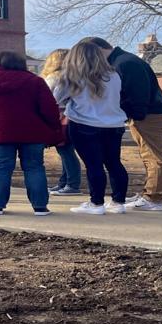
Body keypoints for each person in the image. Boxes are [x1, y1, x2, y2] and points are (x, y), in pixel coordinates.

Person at [0, 51, 61, 216]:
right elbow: (49, 108)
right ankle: (40, 206)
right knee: (34, 167)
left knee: (1, 167)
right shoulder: (35, 81)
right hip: (32, 131)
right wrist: (53, 127)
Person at [87, 37, 162, 211]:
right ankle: (151, 193)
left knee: (153, 156)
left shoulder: (125, 63)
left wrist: (134, 114)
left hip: (149, 114)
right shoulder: (124, 60)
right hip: (148, 112)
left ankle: (154, 198)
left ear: (98, 49)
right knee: (149, 155)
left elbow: (138, 92)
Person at [52, 39, 130, 215]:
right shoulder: (114, 75)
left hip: (83, 124)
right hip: (113, 124)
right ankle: (118, 202)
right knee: (114, 162)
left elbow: (56, 99)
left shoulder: (71, 77)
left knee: (93, 164)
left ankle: (96, 203)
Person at [39, 49, 82, 198]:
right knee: (66, 150)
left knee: (65, 151)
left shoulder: (56, 77)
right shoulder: (74, 77)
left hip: (61, 117)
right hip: (71, 116)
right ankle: (65, 182)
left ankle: (72, 184)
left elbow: (51, 98)